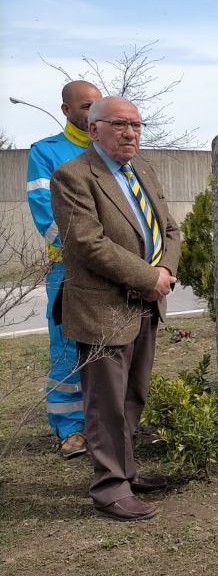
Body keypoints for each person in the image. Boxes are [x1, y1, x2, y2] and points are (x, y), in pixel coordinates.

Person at [51, 96, 180, 521]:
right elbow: (87, 244)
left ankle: (126, 471)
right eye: (120, 125)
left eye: (137, 125)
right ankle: (108, 487)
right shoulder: (73, 177)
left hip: (146, 302)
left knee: (133, 394)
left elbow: (170, 228)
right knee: (105, 401)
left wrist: (163, 270)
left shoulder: (143, 170)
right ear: (94, 129)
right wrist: (148, 278)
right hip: (102, 307)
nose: (131, 133)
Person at [27, 80, 102, 459]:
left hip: (110, 268)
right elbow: (47, 211)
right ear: (67, 110)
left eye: (99, 105)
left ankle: (104, 423)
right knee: (66, 347)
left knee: (109, 347)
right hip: (69, 268)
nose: (94, 112)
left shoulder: (111, 152)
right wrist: (87, 250)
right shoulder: (46, 153)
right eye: (87, 105)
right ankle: (70, 430)